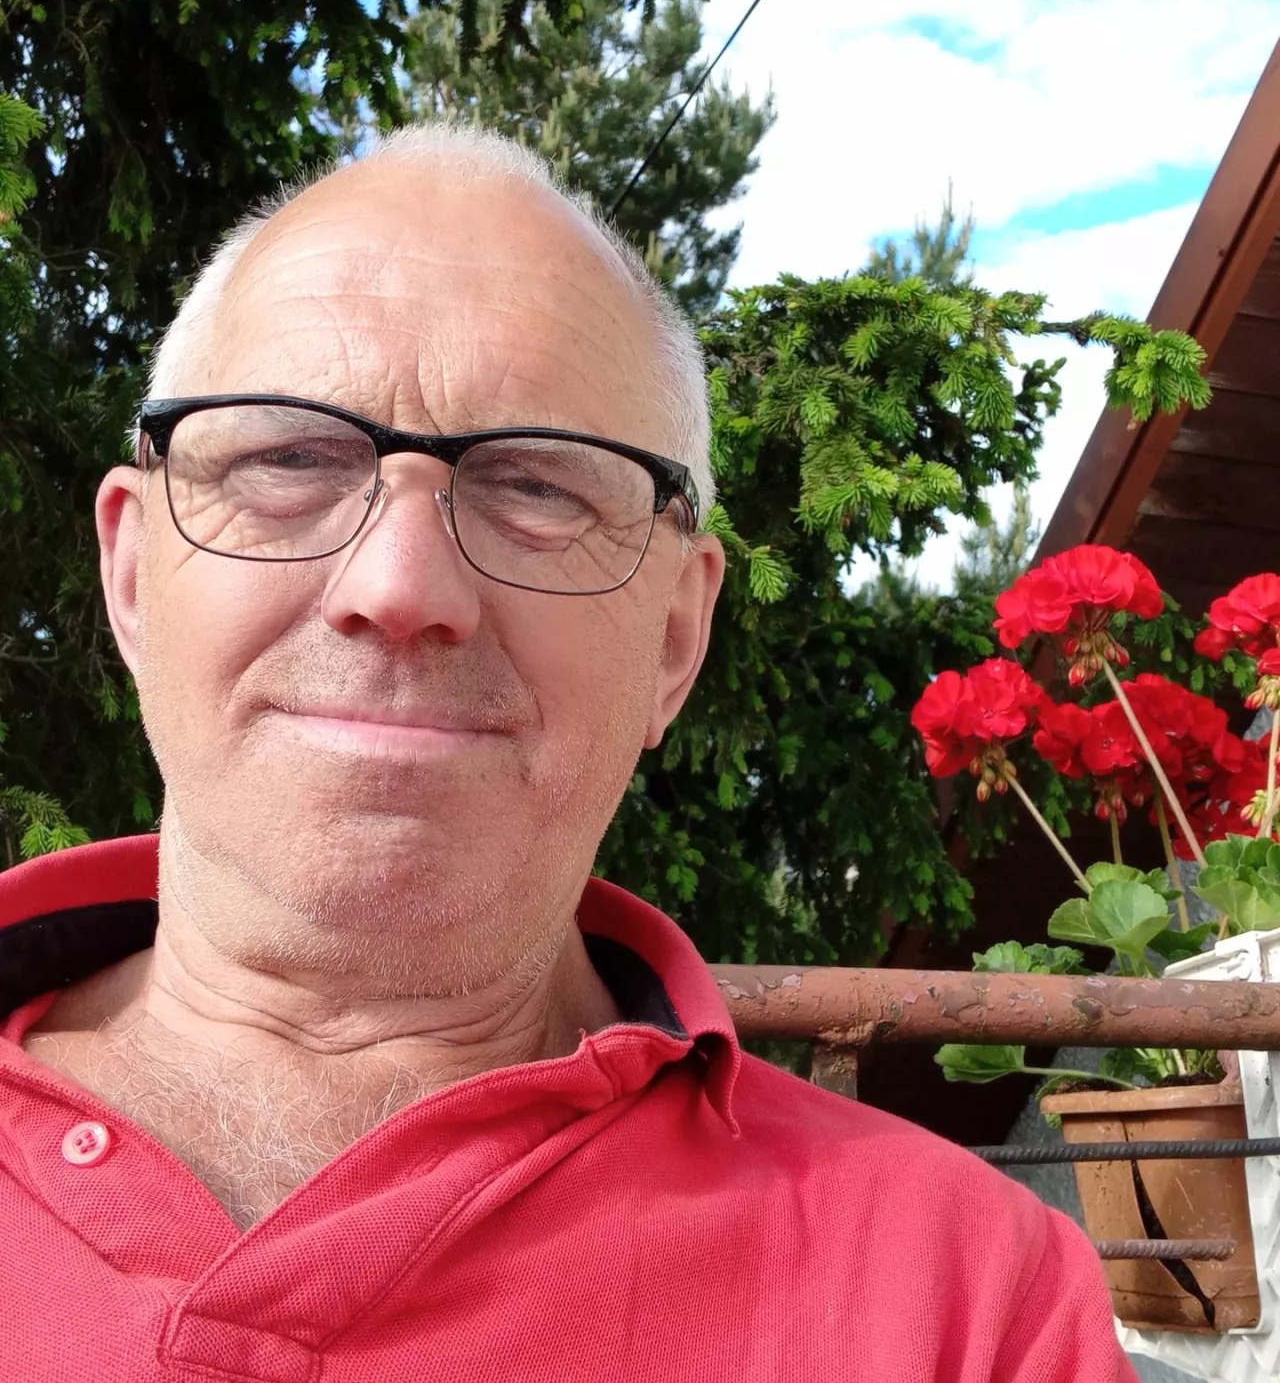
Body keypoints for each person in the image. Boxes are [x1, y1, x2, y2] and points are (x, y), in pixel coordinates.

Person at [0, 124, 1136, 1382]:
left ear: (675, 636)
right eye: (287, 459)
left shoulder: (967, 1304)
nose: (400, 587)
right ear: (132, 573)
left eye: (538, 488)